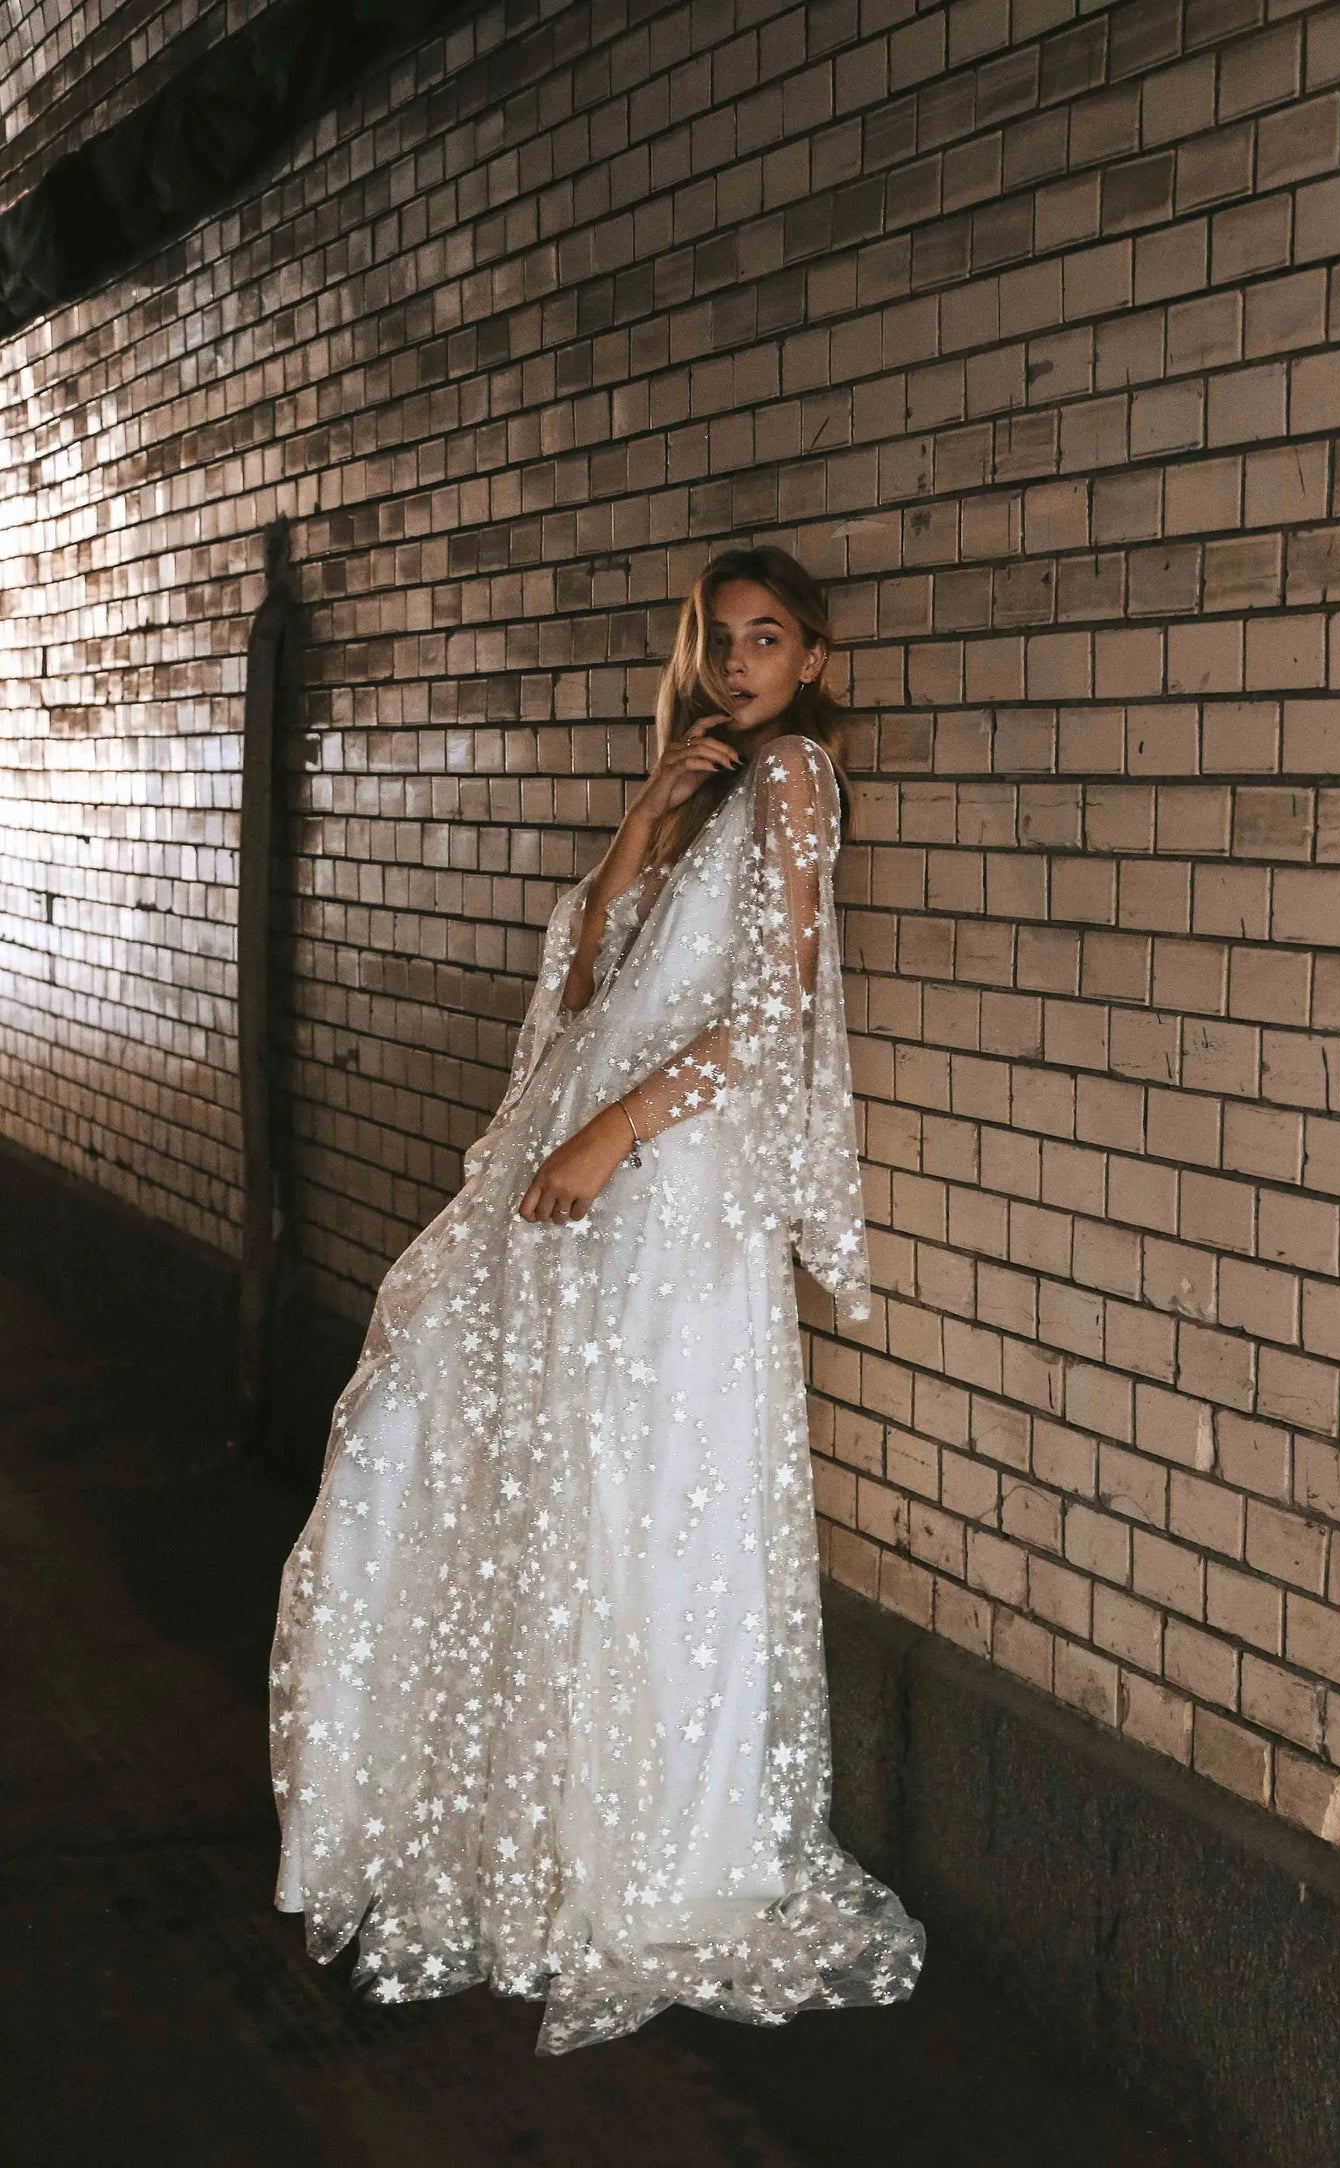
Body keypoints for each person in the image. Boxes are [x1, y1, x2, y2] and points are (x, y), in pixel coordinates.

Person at [269, 545, 926, 2054]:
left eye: (768, 640)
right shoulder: (703, 797)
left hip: (668, 1190)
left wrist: (614, 1132)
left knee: (651, 1492)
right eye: (718, 640)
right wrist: (641, 813)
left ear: (815, 658)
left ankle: (664, 1852)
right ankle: (557, 1819)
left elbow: (768, 1017)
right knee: (495, 1458)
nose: (739, 662)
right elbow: (578, 990)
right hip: (589, 1180)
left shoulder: (796, 785)